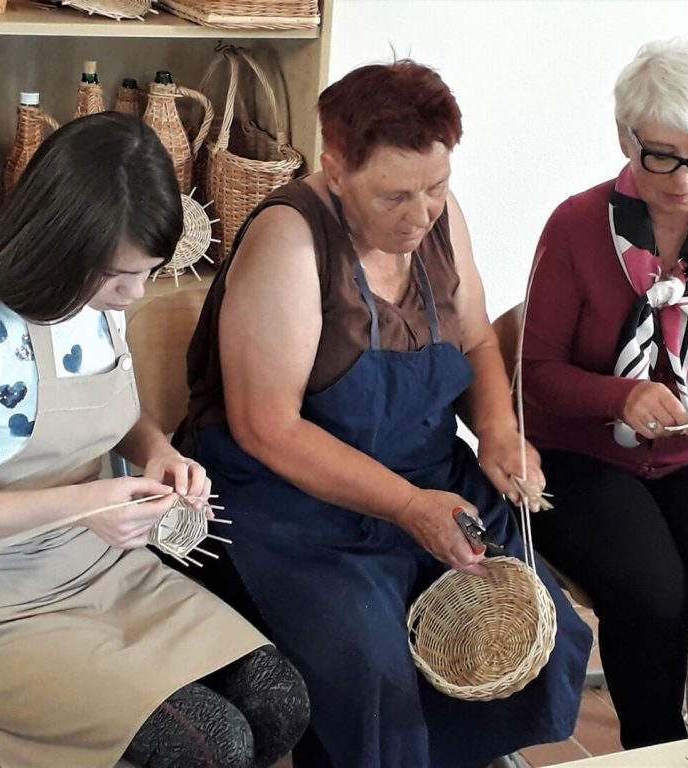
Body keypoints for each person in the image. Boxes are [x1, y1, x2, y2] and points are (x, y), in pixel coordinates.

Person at [174, 60, 592, 768]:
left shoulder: (440, 220)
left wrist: (497, 430)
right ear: (336, 167)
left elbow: (476, 338)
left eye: (437, 187)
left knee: (528, 618)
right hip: (290, 501)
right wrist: (405, 506)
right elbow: (266, 427)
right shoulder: (291, 239)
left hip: (428, 475)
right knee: (373, 669)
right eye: (396, 195)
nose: (422, 214)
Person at [0, 113, 308, 768]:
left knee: (279, 702)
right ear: (59, 241)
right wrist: (82, 505)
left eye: (148, 272)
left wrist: (159, 454)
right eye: (119, 274)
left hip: (104, 570)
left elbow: (114, 414)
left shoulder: (95, 304)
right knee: (212, 743)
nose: (134, 294)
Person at [520, 39, 688, 749]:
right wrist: (620, 397)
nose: (686, 180)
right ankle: (656, 750)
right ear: (625, 136)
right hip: (582, 457)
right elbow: (534, 372)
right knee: (651, 596)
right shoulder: (576, 225)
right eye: (662, 156)